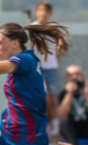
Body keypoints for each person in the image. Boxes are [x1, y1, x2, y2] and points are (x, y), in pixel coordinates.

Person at [32, 1, 60, 136]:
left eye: (45, 11)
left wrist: (54, 57)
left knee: (52, 98)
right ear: (37, 11)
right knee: (44, 96)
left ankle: (54, 123)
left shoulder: (54, 28)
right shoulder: (32, 27)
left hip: (52, 67)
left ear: (49, 13)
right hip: (38, 67)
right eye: (40, 10)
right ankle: (45, 123)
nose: (43, 13)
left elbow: (60, 46)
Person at [58, 65, 88, 145]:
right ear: (67, 77)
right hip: (73, 129)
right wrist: (69, 94)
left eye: (77, 74)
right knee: (64, 120)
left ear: (82, 75)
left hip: (87, 126)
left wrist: (87, 95)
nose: (74, 77)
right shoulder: (63, 93)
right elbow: (62, 113)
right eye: (71, 75)